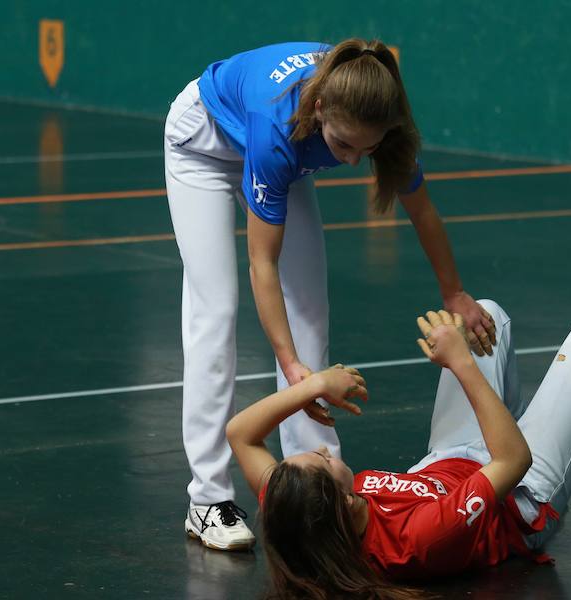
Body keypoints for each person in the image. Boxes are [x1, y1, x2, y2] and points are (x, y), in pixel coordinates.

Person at [164, 38, 496, 551]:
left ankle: (322, 481)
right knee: (217, 309)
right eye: (343, 147)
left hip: (288, 156)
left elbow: (423, 210)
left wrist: (455, 293)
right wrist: (293, 370)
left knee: (311, 315)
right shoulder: (278, 128)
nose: (353, 159)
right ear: (319, 109)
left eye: (367, 150)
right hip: (206, 145)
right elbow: (262, 264)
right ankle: (207, 499)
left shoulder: (374, 115)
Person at [226, 300, 571, 598]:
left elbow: (240, 434)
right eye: (321, 462)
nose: (320, 452)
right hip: (522, 495)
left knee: (482, 316)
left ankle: (497, 401)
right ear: (342, 503)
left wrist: (312, 386)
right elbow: (513, 463)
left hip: (451, 460)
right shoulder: (416, 538)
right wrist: (461, 365)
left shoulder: (298, 508)